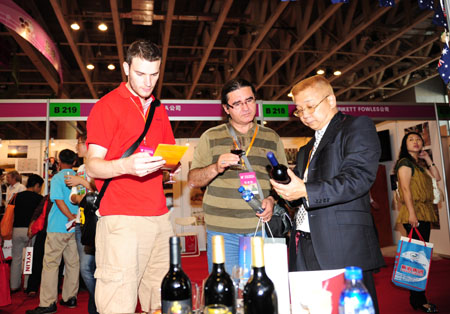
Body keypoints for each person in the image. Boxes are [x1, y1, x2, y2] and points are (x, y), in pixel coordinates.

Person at [271, 75, 384, 313]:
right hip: (303, 244)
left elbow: (358, 178)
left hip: (341, 245)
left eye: (310, 106)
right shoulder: (306, 149)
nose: (305, 115)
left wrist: (304, 189)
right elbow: (303, 195)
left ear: (331, 100)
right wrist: (283, 195)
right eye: (299, 110)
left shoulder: (356, 127)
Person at [85, 39, 175, 314]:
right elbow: (92, 166)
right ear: (126, 68)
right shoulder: (106, 106)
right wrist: (126, 166)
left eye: (154, 74)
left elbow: (169, 156)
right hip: (121, 218)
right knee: (118, 303)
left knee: (162, 300)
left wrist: (169, 165)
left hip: (160, 217)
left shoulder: (159, 109)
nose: (148, 82)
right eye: (140, 73)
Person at [188, 78, 287, 272]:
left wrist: (271, 199)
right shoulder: (211, 136)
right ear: (226, 109)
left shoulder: (271, 137)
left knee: (259, 290)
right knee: (226, 292)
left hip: (259, 226)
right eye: (237, 103)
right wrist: (216, 167)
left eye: (249, 100)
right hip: (221, 230)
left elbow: (282, 181)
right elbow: (193, 180)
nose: (246, 108)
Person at [26, 149, 80, 314]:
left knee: (50, 264)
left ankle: (48, 302)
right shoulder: (79, 179)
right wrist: (73, 217)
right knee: (72, 263)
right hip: (74, 227)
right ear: (75, 162)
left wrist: (69, 216)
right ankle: (70, 297)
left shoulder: (57, 178)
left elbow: (57, 200)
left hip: (58, 226)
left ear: (58, 161)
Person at [394, 132, 440, 313]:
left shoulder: (418, 164)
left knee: (420, 258)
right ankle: (419, 300)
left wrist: (428, 158)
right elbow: (405, 189)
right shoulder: (404, 163)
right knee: (417, 259)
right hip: (415, 214)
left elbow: (436, 177)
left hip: (423, 212)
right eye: (411, 139)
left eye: (418, 139)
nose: (416, 142)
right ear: (405, 145)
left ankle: (418, 298)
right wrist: (412, 214)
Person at [65, 134, 97, 314]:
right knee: (85, 268)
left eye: (78, 143)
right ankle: (99, 301)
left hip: (97, 222)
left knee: (96, 267)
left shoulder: (98, 164)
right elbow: (73, 197)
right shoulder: (82, 168)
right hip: (81, 222)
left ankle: (98, 304)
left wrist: (82, 182)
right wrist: (81, 191)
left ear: (87, 144)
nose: (76, 147)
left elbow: (99, 192)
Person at [10, 174, 44, 292]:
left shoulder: (17, 196)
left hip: (16, 230)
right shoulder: (39, 199)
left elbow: (11, 214)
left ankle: (14, 285)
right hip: (31, 231)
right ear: (36, 185)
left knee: (16, 258)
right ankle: (27, 285)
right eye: (40, 187)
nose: (40, 190)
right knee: (30, 257)